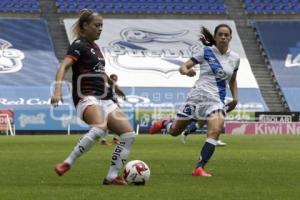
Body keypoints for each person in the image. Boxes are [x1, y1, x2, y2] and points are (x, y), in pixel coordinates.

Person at [51, 9, 136, 185]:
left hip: (105, 98)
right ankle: (67, 162)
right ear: (85, 26)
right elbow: (63, 66)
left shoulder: (95, 48)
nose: (100, 29)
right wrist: (57, 91)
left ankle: (112, 176)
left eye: (101, 26)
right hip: (87, 96)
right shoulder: (78, 44)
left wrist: (116, 87)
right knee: (100, 127)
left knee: (128, 134)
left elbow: (100, 71)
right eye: (97, 25)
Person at [149, 24, 239, 177]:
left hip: (216, 100)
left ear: (230, 37)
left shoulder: (235, 58)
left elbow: (233, 80)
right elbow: (183, 66)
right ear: (215, 37)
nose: (223, 37)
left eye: (226, 35)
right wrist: (186, 71)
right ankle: (165, 123)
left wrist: (235, 98)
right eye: (220, 34)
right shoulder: (206, 51)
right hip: (197, 97)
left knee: (215, 130)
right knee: (175, 131)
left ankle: (199, 167)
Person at [99, 73, 121, 145]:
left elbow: (114, 97)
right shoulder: (106, 86)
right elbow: (108, 96)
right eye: (113, 79)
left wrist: (117, 104)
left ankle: (115, 139)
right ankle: (103, 140)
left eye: (115, 79)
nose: (114, 81)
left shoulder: (114, 87)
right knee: (107, 123)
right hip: (105, 105)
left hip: (111, 105)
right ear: (109, 79)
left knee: (117, 121)